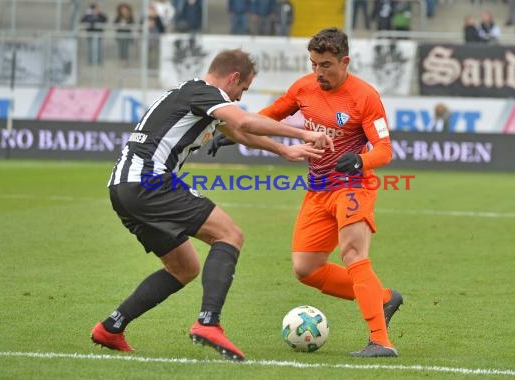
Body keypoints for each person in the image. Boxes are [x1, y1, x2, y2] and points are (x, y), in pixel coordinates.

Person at [90, 49, 333, 361]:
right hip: (149, 181)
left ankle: (112, 327)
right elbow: (245, 120)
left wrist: (284, 151)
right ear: (233, 78)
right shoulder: (206, 93)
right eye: (242, 90)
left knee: (184, 268)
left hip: (124, 187)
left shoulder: (193, 96)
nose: (239, 97)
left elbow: (239, 131)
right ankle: (208, 323)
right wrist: (303, 132)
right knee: (230, 235)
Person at [210, 27, 403, 357]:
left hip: (354, 186)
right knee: (306, 268)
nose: (318, 72)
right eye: (313, 64)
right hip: (318, 189)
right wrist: (236, 131)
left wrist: (359, 160)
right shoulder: (303, 87)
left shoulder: (365, 96)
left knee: (353, 253)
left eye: (326, 65)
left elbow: (385, 150)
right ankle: (383, 298)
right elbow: (270, 115)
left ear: (345, 61)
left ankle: (380, 341)